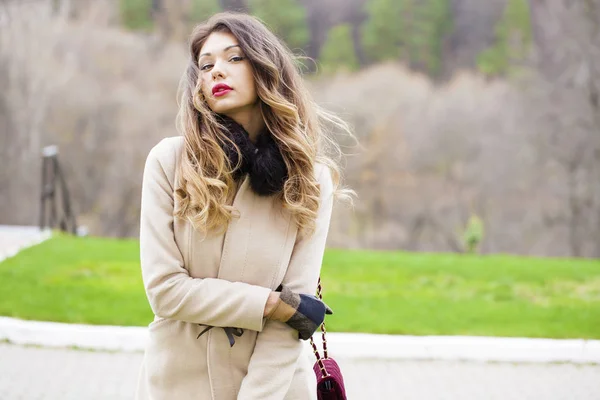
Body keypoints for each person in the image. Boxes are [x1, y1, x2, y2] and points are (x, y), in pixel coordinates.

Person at [135, 11, 353, 400]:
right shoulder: (169, 162)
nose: (217, 71)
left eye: (234, 58)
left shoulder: (310, 178)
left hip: (273, 388)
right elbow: (165, 291)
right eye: (206, 64)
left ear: (266, 68)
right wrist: (270, 303)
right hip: (178, 386)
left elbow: (296, 318)